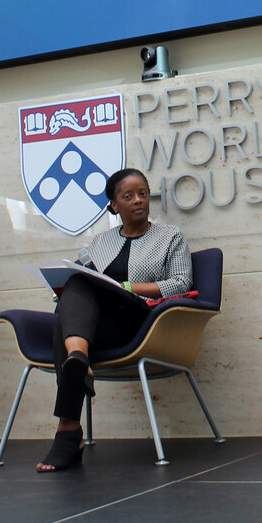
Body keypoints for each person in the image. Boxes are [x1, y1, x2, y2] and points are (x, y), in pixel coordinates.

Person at [38, 168, 191, 472]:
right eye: (128, 196)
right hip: (101, 326)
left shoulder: (170, 236)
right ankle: (79, 359)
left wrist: (126, 288)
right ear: (113, 206)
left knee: (72, 304)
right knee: (75, 283)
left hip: (141, 323)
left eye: (143, 194)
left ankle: (68, 432)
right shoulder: (100, 242)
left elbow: (181, 283)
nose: (138, 200)